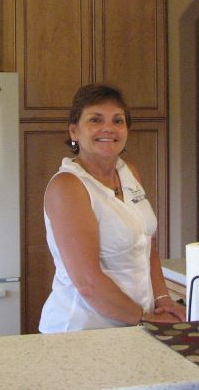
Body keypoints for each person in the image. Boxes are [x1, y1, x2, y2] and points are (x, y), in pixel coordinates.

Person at [39, 83, 186, 332]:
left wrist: (162, 300)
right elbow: (87, 282)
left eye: (117, 120)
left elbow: (146, 245)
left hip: (135, 321)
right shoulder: (68, 186)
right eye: (95, 120)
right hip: (84, 330)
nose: (108, 128)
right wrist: (145, 319)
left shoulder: (128, 172)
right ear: (74, 131)